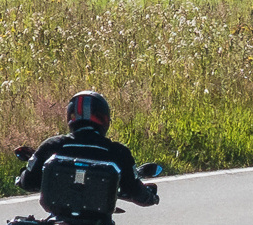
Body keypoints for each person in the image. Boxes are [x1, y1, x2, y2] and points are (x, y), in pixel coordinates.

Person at [15, 89, 163, 213]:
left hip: (58, 220)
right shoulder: (118, 152)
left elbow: (29, 181)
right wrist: (150, 197)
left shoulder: (53, 145)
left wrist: (22, 178)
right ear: (105, 119)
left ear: (70, 117)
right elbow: (133, 189)